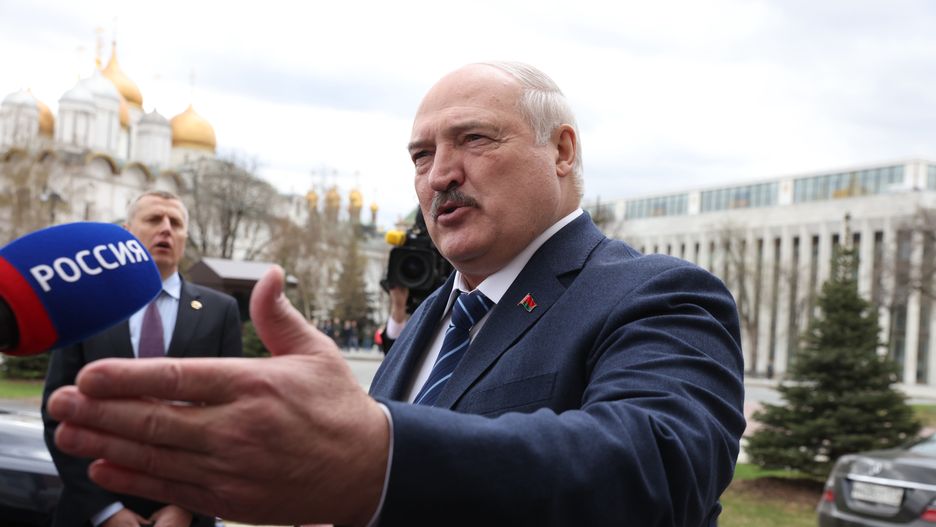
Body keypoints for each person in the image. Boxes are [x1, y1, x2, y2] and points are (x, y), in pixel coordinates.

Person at [45, 63, 745, 526]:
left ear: (562, 151)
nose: (440, 173)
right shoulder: (429, 318)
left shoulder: (659, 294)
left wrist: (375, 457)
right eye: (420, 155)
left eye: (473, 138)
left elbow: (657, 467)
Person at [42, 190, 243, 527]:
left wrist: (186, 507)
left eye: (175, 223)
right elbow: (57, 412)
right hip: (92, 511)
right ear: (127, 231)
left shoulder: (219, 311)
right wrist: (106, 511)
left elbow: (232, 421)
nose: (166, 229)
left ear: (184, 238)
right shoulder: (87, 304)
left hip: (185, 514)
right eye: (153, 220)